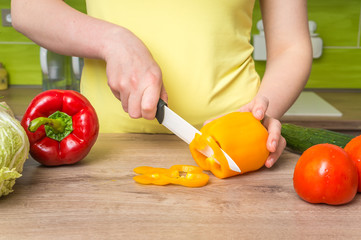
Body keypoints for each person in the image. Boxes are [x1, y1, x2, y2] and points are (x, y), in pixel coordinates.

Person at [11, 0, 312, 168]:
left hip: (233, 149)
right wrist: (114, 41)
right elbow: (28, 9)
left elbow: (292, 46)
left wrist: (261, 111)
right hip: (98, 152)